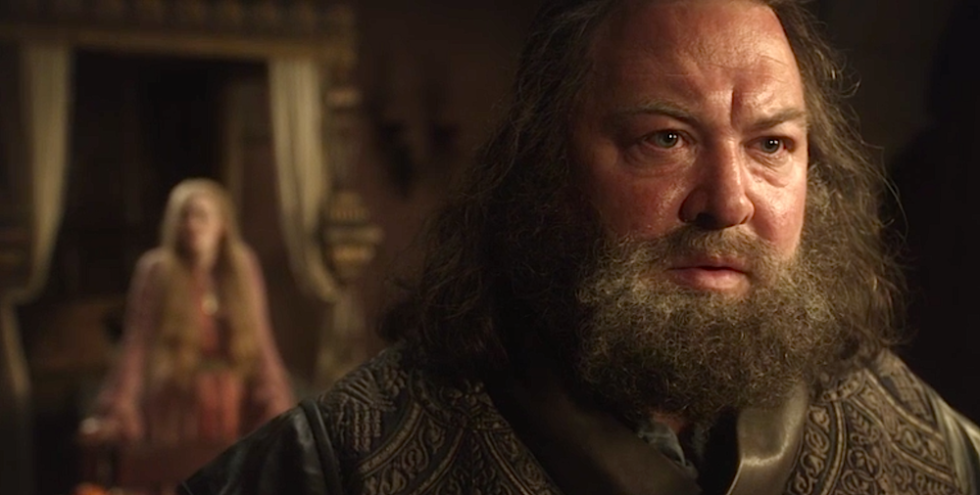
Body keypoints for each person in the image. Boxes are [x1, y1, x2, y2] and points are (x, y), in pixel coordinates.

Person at [180, 1, 980, 494]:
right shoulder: (345, 460)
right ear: (548, 167)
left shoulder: (925, 446)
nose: (728, 200)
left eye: (771, 145)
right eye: (665, 138)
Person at [81, 178, 294, 450]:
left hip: (231, 414)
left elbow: (262, 344)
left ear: (221, 224)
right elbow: (137, 346)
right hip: (174, 411)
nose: (192, 225)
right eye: (185, 217)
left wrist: (278, 407)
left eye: (202, 216)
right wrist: (118, 410)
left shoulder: (242, 267)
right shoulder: (157, 270)